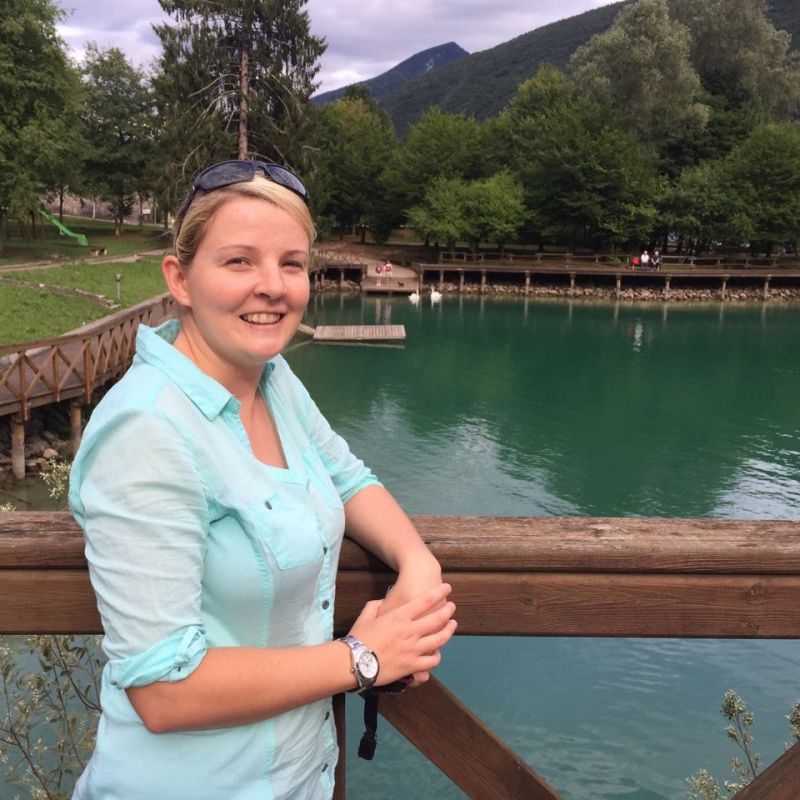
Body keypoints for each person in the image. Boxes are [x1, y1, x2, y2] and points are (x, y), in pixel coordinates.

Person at [67, 159, 457, 800]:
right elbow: (163, 690)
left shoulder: (272, 380)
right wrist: (362, 657)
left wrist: (417, 564)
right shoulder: (146, 431)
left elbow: (346, 476)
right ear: (180, 279)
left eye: (292, 263)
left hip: (299, 778)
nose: (272, 286)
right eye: (239, 261)